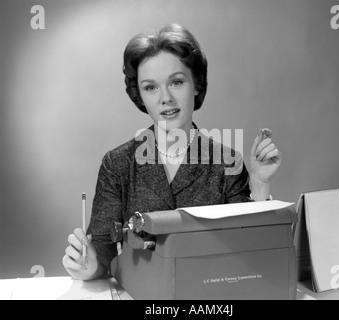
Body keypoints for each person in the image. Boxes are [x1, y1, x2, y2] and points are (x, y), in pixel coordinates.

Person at [62, 23, 282, 280]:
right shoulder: (117, 164)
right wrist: (88, 267)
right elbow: (102, 251)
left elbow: (251, 250)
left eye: (176, 82)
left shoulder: (227, 162)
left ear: (196, 85)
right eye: (151, 87)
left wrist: (259, 184)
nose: (165, 98)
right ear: (140, 96)